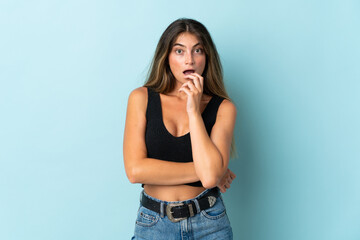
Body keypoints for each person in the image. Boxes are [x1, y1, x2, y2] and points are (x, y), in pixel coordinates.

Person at [123, 18, 237, 240]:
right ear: (166, 57)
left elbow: (210, 177)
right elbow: (135, 171)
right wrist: (211, 172)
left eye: (198, 51)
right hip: (153, 224)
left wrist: (194, 111)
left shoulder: (224, 108)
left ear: (207, 57)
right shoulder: (141, 98)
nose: (189, 60)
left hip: (210, 223)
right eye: (179, 51)